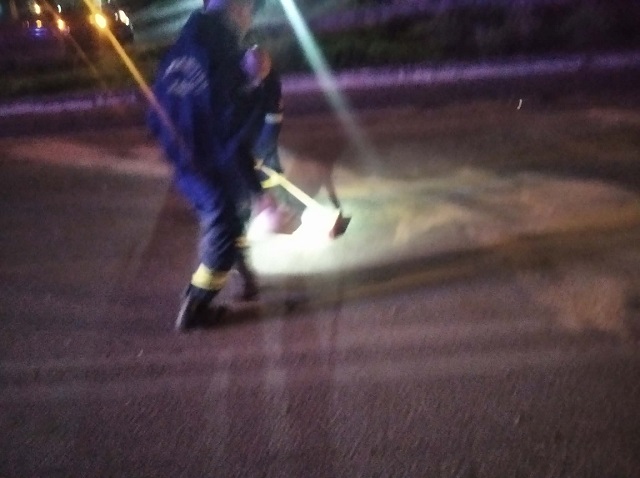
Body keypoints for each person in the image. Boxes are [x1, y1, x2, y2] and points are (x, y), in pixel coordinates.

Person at [147, 0, 272, 332]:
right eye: (250, 10)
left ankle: (246, 277)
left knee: (231, 214)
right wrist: (254, 81)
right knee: (224, 226)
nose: (250, 20)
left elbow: (159, 108)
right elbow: (236, 132)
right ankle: (195, 305)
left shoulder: (182, 48)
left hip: (187, 156)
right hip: (207, 160)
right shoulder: (227, 55)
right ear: (239, 9)